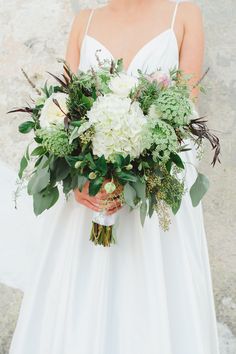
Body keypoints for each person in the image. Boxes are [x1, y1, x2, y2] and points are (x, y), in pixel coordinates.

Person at [1, 1, 220, 353]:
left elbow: (185, 115)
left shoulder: (184, 13)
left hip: (155, 201)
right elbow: (65, 113)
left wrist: (143, 170)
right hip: (89, 200)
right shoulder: (83, 22)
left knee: (153, 304)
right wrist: (80, 180)